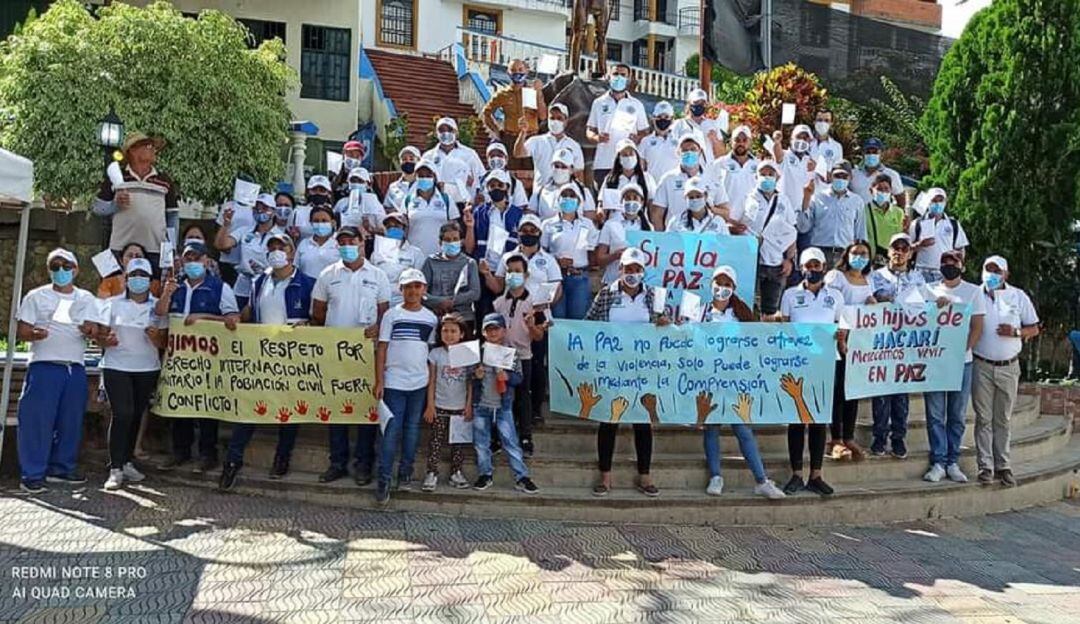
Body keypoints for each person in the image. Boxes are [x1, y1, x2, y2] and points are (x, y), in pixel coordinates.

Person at [218, 233, 314, 491]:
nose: (276, 250)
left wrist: (309, 326)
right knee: (250, 405)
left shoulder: (307, 283)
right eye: (271, 247)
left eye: (281, 246)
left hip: (293, 355)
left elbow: (318, 318)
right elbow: (250, 311)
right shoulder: (258, 281)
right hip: (262, 354)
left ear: (292, 252)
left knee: (289, 407)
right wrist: (237, 318)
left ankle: (283, 455)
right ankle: (233, 460)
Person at [692, 265, 787, 499]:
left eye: (727, 284)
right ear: (711, 284)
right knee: (711, 428)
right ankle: (715, 476)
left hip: (736, 381)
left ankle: (761, 480)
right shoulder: (698, 312)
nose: (721, 288)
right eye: (718, 282)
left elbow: (757, 345)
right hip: (708, 380)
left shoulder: (742, 315)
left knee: (743, 429)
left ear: (733, 288)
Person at [585, 248, 671, 497]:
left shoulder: (654, 296)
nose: (632, 274)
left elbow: (665, 324)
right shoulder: (606, 294)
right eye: (628, 269)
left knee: (642, 421)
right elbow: (588, 325)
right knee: (609, 420)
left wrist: (664, 323)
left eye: (637, 269)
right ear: (620, 270)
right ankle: (605, 476)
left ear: (643, 272)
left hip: (643, 368)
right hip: (613, 368)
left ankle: (645, 476)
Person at [311, 226, 391, 485]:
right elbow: (318, 312)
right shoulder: (327, 275)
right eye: (342, 241)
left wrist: (377, 328)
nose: (347, 245)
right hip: (335, 354)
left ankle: (364, 463)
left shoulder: (378, 275)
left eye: (352, 241)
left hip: (366, 354)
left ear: (362, 242)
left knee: (366, 409)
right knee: (337, 409)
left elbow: (384, 314)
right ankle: (337, 462)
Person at [14, 249, 98, 492]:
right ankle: (32, 474)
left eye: (66, 265)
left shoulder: (86, 298)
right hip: (44, 365)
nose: (61, 271)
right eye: (56, 266)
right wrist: (35, 334)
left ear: (76, 269)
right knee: (37, 423)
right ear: (49, 270)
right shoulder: (36, 296)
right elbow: (22, 330)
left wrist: (91, 331)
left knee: (70, 422)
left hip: (75, 367)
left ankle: (62, 468)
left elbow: (96, 330)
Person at [154, 241, 241, 473]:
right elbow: (160, 317)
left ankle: (207, 454)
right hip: (179, 361)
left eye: (196, 258)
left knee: (206, 408)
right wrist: (166, 294)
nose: (192, 262)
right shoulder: (176, 288)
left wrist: (203, 317)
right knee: (180, 407)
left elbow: (234, 321)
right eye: (187, 258)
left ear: (206, 261)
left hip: (208, 360)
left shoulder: (220, 288)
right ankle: (180, 451)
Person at [97, 258, 166, 490]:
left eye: (143, 275)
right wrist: (106, 339)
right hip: (117, 365)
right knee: (122, 413)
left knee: (136, 414)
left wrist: (155, 336)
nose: (138, 279)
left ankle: (127, 461)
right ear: (126, 279)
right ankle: (115, 467)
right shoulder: (112, 303)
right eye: (133, 275)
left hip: (146, 367)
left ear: (149, 280)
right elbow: (99, 335)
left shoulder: (158, 306)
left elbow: (164, 340)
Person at [779, 247, 842, 497]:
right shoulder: (790, 295)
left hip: (826, 361)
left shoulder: (835, 296)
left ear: (824, 268)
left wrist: (840, 335)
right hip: (797, 362)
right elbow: (783, 327)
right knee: (797, 419)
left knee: (818, 419)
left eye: (817, 266)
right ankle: (796, 473)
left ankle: (816, 474)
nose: (812, 270)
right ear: (801, 268)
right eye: (808, 265)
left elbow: (840, 326)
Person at [972, 255, 1039, 487]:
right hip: (981, 365)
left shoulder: (1018, 296)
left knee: (1003, 419)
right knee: (983, 419)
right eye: (987, 269)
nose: (991, 274)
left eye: (996, 271)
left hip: (1008, 366)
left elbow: (1034, 327)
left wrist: (1016, 333)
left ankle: (1004, 465)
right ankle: (985, 467)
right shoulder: (974, 294)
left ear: (1005, 274)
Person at [374, 268, 440, 504]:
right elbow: (382, 347)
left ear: (423, 289)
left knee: (412, 430)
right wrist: (380, 380)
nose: (413, 291)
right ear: (401, 289)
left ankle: (405, 473)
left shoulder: (431, 318)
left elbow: (430, 354)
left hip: (419, 382)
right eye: (408, 287)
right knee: (391, 430)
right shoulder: (392, 315)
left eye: (417, 286)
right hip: (394, 382)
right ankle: (384, 478)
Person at [923, 250, 986, 483]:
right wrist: (932, 309)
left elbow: (978, 326)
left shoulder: (973, 291)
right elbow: (912, 318)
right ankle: (938, 461)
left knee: (957, 414)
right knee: (935, 413)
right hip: (935, 362)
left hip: (962, 362)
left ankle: (953, 460)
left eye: (954, 261)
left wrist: (963, 352)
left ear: (963, 265)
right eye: (945, 261)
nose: (950, 264)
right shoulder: (928, 291)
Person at [868, 233, 930, 458]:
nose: (899, 252)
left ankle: (898, 438)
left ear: (910, 253)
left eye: (904, 248)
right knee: (881, 392)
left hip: (906, 344)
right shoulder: (875, 277)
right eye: (895, 248)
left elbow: (926, 305)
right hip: (882, 342)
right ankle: (879, 437)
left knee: (901, 395)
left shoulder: (918, 278)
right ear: (888, 251)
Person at [471, 312, 539, 494]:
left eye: (496, 329)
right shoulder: (477, 352)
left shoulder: (511, 353)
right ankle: (485, 474)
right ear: (483, 333)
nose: (493, 332)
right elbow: (469, 377)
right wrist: (475, 376)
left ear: (504, 330)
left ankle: (521, 476)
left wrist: (507, 376)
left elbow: (519, 378)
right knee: (481, 443)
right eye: (489, 329)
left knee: (511, 441)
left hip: (503, 405)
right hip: (481, 405)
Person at [492, 253, 549, 457]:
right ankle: (497, 436)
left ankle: (525, 436)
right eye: (509, 271)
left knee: (523, 396)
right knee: (499, 396)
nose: (513, 275)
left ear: (526, 275)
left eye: (517, 271)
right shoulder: (498, 303)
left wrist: (532, 327)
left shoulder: (534, 303)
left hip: (523, 355)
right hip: (501, 354)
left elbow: (539, 336)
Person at [92, 132, 176, 267]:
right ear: (132, 150)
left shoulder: (164, 180)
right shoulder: (117, 176)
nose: (153, 149)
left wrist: (172, 249)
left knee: (156, 288)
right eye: (148, 146)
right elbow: (97, 208)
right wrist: (115, 205)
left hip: (156, 250)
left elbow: (172, 216)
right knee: (115, 287)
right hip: (119, 250)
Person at [825, 241, 876, 461]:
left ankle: (849, 436)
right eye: (856, 253)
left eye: (864, 254)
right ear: (847, 255)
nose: (860, 257)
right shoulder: (836, 277)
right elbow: (833, 308)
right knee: (837, 390)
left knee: (853, 390)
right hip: (839, 337)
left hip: (860, 341)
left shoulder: (869, 279)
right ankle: (835, 438)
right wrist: (841, 336)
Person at [422, 313, 475, 491]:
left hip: (460, 407)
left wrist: (468, 406)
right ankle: (432, 472)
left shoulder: (467, 352)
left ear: (461, 334)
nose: (449, 334)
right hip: (440, 405)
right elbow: (432, 380)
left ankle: (456, 472)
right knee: (435, 441)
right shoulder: (436, 354)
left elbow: (470, 382)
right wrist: (430, 405)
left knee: (458, 443)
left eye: (453, 331)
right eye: (445, 331)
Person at [742, 159, 798, 317]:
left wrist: (789, 259)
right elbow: (735, 225)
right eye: (763, 174)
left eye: (770, 174)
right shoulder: (747, 198)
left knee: (771, 309)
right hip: (751, 260)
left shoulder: (784, 201)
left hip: (776, 262)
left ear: (777, 177)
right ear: (756, 176)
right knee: (748, 306)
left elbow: (791, 231)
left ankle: (766, 337)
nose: (766, 177)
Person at [215, 193, 286, 310]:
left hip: (267, 284)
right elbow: (221, 245)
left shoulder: (280, 236)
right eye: (257, 208)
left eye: (264, 208)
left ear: (273, 212)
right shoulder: (245, 231)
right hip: (243, 285)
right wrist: (226, 224)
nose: (260, 211)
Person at [541, 184, 598, 320]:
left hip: (579, 278)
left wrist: (584, 267)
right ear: (558, 199)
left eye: (572, 196)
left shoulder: (588, 224)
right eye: (564, 195)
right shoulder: (548, 224)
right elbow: (542, 252)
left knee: (578, 320)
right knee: (558, 319)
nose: (568, 199)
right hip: (555, 278)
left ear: (579, 201)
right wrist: (556, 261)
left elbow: (592, 252)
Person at [586, 63, 650, 181]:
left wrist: (638, 138)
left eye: (623, 75)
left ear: (629, 79)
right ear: (609, 76)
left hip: (628, 165)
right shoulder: (599, 103)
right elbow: (590, 130)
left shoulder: (636, 105)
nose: (619, 77)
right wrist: (597, 138)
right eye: (615, 74)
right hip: (604, 163)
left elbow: (645, 132)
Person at [796, 160, 867, 267]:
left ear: (850, 178)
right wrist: (806, 198)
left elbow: (860, 232)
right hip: (820, 252)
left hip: (845, 254)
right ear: (831, 177)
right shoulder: (817, 197)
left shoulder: (857, 201)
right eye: (837, 175)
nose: (840, 179)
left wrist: (860, 256)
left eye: (844, 176)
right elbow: (803, 228)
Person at [651, 134, 722, 231]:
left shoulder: (713, 177)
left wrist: (708, 208)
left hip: (707, 236)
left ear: (700, 151)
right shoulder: (668, 179)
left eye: (693, 149)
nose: (689, 153)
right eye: (684, 150)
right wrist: (662, 240)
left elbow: (725, 212)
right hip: (677, 235)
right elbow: (657, 214)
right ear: (678, 153)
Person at [482, 58, 548, 156]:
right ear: (508, 72)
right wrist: (497, 131)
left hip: (531, 137)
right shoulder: (502, 94)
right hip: (510, 139)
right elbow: (486, 113)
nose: (517, 73)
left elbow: (543, 117)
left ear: (526, 71)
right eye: (513, 70)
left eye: (520, 70)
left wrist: (538, 93)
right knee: (512, 169)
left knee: (530, 169)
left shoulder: (532, 91)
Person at [422, 222, 481, 326]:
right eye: (447, 240)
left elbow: (475, 293)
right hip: (436, 316)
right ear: (440, 242)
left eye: (455, 239)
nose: (452, 242)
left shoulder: (469, 263)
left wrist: (452, 302)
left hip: (463, 318)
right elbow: (422, 293)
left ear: (461, 242)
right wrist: (440, 302)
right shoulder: (430, 262)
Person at [514, 102, 584, 185]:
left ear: (566, 121)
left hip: (563, 193)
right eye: (552, 118)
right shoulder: (537, 141)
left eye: (559, 118)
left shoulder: (574, 145)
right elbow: (518, 153)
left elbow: (579, 173)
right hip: (541, 194)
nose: (555, 121)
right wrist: (523, 133)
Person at [422, 117, 485, 207]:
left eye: (450, 130)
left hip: (464, 206)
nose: (446, 133)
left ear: (457, 133)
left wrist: (472, 182)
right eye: (441, 130)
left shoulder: (470, 154)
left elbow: (481, 178)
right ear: (436, 134)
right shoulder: (428, 156)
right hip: (436, 205)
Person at [704, 125, 757, 232]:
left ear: (750, 142)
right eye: (737, 140)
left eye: (744, 140)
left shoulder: (759, 165)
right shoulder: (719, 164)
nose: (741, 143)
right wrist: (726, 220)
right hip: (725, 224)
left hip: (752, 224)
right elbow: (710, 196)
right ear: (731, 142)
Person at [910, 187, 969, 283]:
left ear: (945, 202)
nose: (937, 203)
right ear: (928, 202)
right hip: (920, 271)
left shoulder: (953, 224)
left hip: (944, 271)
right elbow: (908, 248)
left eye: (940, 200)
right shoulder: (917, 223)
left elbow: (960, 248)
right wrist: (920, 244)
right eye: (934, 200)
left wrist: (959, 265)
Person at [595, 183, 650, 285]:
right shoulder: (610, 225)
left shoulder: (649, 228)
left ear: (641, 202)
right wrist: (615, 255)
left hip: (641, 284)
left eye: (635, 198)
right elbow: (599, 259)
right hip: (613, 281)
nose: (631, 201)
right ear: (621, 202)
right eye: (628, 198)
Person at [371, 211, 428, 308]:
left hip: (405, 303)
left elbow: (420, 282)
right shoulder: (376, 253)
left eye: (397, 226)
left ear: (405, 229)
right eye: (389, 227)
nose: (392, 229)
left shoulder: (415, 253)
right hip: (379, 303)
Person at [403, 160, 460, 256]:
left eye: (428, 175)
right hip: (414, 256)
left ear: (434, 177)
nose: (424, 178)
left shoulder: (446, 199)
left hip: (441, 256)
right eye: (420, 175)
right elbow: (404, 227)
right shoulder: (408, 199)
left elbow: (455, 227)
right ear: (415, 177)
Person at [529, 149, 597, 220]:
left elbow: (590, 219)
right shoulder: (540, 191)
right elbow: (530, 216)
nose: (559, 169)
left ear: (571, 169)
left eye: (564, 167)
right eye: (556, 166)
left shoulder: (583, 191)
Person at [771, 125, 815, 227]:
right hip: (782, 213)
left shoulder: (810, 161)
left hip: (800, 214)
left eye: (805, 138)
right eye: (799, 137)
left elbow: (810, 188)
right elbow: (778, 156)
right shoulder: (785, 156)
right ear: (791, 139)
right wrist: (777, 142)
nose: (802, 140)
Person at [863, 173, 908, 265]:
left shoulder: (898, 212)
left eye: (886, 189)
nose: (883, 192)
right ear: (871, 191)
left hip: (892, 259)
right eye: (879, 189)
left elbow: (901, 235)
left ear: (891, 191)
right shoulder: (864, 210)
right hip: (871, 260)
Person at [598, 139, 656, 209]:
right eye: (624, 155)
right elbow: (601, 203)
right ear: (619, 159)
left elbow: (652, 203)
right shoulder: (610, 179)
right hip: (615, 218)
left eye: (631, 153)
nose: (628, 157)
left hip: (640, 218)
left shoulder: (647, 178)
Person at [671, 88, 724, 162]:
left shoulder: (713, 125)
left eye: (702, 103)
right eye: (696, 102)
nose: (699, 106)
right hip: (687, 169)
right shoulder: (679, 124)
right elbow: (671, 151)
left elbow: (721, 155)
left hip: (708, 170)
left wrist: (714, 140)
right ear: (689, 104)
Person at [850, 138, 905, 208]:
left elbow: (900, 199)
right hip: (857, 217)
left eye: (875, 152)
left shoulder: (892, 175)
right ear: (863, 154)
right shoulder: (853, 174)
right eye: (868, 152)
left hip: (880, 217)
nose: (871, 155)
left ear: (881, 154)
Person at [334, 167, 385, 235]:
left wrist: (371, 229)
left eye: (360, 181)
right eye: (353, 180)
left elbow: (384, 230)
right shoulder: (341, 203)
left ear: (368, 184)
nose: (356, 183)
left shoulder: (376, 205)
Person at [478, 142, 529, 210]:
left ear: (506, 158)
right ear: (487, 159)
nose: (496, 158)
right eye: (492, 155)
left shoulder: (515, 183)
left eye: (499, 155)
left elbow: (520, 206)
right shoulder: (481, 181)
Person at [638, 101, 680, 178]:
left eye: (666, 117)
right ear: (653, 118)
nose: (663, 120)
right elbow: (641, 168)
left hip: (673, 186)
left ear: (672, 119)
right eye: (659, 117)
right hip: (652, 187)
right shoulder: (645, 141)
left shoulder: (679, 141)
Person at [295, 206, 340, 279]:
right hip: (307, 287)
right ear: (311, 223)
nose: (320, 224)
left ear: (333, 222)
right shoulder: (304, 243)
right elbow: (296, 267)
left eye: (324, 220)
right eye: (316, 221)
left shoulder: (339, 243)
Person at [287, 175, 334, 241]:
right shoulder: (297, 213)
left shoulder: (335, 214)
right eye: (314, 190)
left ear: (328, 193)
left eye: (322, 190)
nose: (318, 193)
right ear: (308, 192)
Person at [383, 146, 422, 213]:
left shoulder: (425, 184)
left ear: (418, 161)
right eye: (404, 159)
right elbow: (386, 207)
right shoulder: (393, 187)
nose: (408, 161)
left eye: (411, 159)